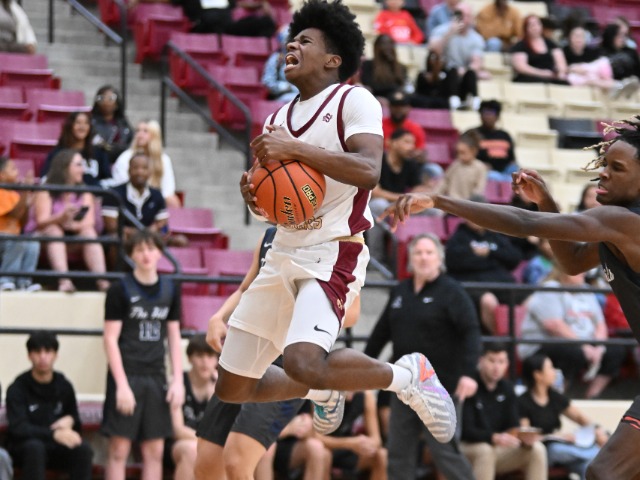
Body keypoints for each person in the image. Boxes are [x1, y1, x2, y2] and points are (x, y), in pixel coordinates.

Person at [230, 0, 457, 451]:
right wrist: (256, 199)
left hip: (333, 249)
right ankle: (323, 389)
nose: (292, 45)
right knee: (233, 387)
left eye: (305, 41)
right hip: (284, 249)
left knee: (302, 360)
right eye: (292, 39)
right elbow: (285, 202)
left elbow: (369, 171)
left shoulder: (354, 100)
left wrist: (295, 150)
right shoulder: (276, 118)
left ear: (332, 59)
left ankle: (408, 376)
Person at [381, 115, 640, 479]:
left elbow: (524, 223)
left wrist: (439, 200)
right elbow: (571, 261)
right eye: (604, 164)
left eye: (617, 168)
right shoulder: (619, 226)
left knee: (604, 473)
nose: (604, 173)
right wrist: (547, 201)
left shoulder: (625, 222)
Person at [195, 227, 308, 480]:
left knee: (237, 462)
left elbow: (350, 313)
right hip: (247, 349)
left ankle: (323, 389)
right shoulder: (268, 236)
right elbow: (246, 287)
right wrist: (219, 316)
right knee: (206, 462)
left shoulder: (325, 239)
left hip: (286, 360)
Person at [364, 234, 480, 480]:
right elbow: (380, 334)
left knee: (445, 453)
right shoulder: (400, 291)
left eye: (429, 253)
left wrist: (469, 374)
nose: (424, 258)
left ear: (440, 258)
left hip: (440, 388)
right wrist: (361, 370)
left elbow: (471, 333)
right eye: (418, 253)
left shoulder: (452, 292)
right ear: (410, 259)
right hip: (404, 387)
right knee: (398, 451)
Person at [102, 229, 184, 480]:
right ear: (131, 255)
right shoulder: (119, 290)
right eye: (139, 250)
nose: (146, 254)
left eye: (150, 248)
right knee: (119, 449)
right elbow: (110, 339)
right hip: (127, 374)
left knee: (154, 451)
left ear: (160, 252)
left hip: (156, 375)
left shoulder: (171, 289)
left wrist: (178, 380)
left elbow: (174, 337)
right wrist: (121, 386)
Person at [518, 265, 626, 399]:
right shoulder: (550, 288)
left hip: (583, 344)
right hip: (543, 344)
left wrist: (599, 347)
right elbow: (554, 326)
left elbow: (600, 323)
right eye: (578, 271)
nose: (583, 274)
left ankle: (591, 398)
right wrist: (583, 346)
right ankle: (558, 398)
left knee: (616, 350)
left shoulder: (586, 290)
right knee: (573, 352)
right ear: (564, 272)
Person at [5, 331, 93, 480]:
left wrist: (72, 420)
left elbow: (75, 421)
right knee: (35, 448)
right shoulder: (17, 388)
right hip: (26, 448)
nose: (43, 357)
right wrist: (53, 434)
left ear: (56, 355)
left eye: (48, 351)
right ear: (29, 356)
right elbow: (18, 428)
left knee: (83, 449)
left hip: (57, 448)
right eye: (37, 352)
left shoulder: (64, 386)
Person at [460, 342, 547, 480]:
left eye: (501, 362)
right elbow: (466, 430)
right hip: (469, 446)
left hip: (498, 447)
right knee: (485, 451)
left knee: (537, 448)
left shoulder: (507, 388)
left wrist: (522, 437)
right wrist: (493, 437)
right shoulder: (469, 385)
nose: (496, 367)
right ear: (481, 361)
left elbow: (513, 425)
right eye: (492, 361)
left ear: (507, 364)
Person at [28, 149, 109, 293]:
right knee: (54, 230)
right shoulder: (46, 190)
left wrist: (72, 225)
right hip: (43, 238)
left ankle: (102, 282)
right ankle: (64, 281)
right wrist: (61, 218)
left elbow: (89, 222)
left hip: (72, 237)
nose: (82, 170)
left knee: (88, 232)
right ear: (64, 167)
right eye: (78, 165)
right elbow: (41, 221)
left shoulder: (84, 192)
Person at [518, 354, 609, 479]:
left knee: (587, 466)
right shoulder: (522, 402)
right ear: (537, 375)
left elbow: (579, 417)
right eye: (550, 368)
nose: (554, 372)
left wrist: (597, 430)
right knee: (555, 449)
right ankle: (599, 454)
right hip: (542, 450)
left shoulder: (554, 397)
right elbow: (527, 436)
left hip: (565, 450)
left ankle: (595, 455)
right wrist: (557, 437)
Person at [368, 128, 422, 265]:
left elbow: (420, 189)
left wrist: (408, 199)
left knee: (433, 211)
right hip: (375, 203)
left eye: (413, 143)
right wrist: (404, 198)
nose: (412, 147)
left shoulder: (411, 163)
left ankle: (414, 259)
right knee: (379, 205)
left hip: (400, 203)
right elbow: (375, 192)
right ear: (391, 143)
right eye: (407, 142)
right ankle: (375, 259)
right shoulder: (377, 160)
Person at [170, 335, 218, 480]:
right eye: (199, 356)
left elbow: (219, 430)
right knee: (192, 450)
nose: (205, 362)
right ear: (189, 358)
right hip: (178, 443)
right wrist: (206, 443)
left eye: (210, 356)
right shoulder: (178, 384)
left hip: (207, 443)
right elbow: (178, 430)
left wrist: (214, 397)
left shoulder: (219, 388)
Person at [428, 2, 487, 110]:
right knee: (452, 71)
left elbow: (476, 62)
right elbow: (434, 52)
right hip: (443, 76)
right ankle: (454, 101)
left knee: (471, 73)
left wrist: (463, 71)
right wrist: (450, 33)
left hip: (463, 77)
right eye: (459, 14)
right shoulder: (441, 30)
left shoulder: (476, 38)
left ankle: (475, 102)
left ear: (471, 18)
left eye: (466, 16)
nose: (462, 18)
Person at [318, 390, 388, 480]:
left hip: (349, 448)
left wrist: (365, 443)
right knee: (323, 454)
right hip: (327, 447)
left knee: (382, 455)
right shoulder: (322, 395)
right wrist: (349, 443)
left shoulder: (366, 396)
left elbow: (376, 440)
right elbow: (314, 437)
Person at [112, 120, 181, 208]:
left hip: (155, 200)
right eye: (137, 131)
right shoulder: (125, 157)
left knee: (172, 200)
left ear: (155, 135)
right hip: (129, 198)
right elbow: (121, 185)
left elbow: (168, 190)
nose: (139, 135)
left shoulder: (164, 159)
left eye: (145, 131)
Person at [40, 111, 112, 188]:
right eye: (78, 123)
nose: (82, 127)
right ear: (70, 126)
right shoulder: (58, 153)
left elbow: (107, 181)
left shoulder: (99, 152)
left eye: (86, 123)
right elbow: (45, 179)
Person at [0, 156, 40, 291]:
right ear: (1, 175)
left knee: (33, 243)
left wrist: (27, 204)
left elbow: (22, 222)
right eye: (13, 169)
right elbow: (14, 214)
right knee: (16, 240)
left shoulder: (15, 195)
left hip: (12, 238)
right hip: (2, 237)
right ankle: (5, 280)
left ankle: (24, 282)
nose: (17, 172)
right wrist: (25, 191)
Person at [465, 99, 518, 181]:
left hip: (505, 173)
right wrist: (480, 165)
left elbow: (512, 160)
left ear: (497, 116)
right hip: (485, 173)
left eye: (491, 113)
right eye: (485, 112)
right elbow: (464, 156)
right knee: (492, 176)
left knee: (516, 172)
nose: (488, 116)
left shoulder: (505, 135)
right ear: (480, 115)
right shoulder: (472, 134)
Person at [273, 410, 332, 480]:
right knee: (315, 447)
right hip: (275, 442)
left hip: (296, 442)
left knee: (326, 454)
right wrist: (289, 429)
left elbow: (315, 433)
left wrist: (308, 426)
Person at [511, 15, 570, 84]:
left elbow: (561, 63)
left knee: (564, 83)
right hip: (529, 77)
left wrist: (560, 73)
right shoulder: (520, 46)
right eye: (532, 25)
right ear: (526, 28)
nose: (535, 27)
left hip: (550, 76)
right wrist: (543, 73)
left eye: (538, 24)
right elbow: (521, 67)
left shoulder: (551, 44)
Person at [437, 132, 488, 200]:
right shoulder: (455, 165)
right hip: (452, 201)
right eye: (458, 153)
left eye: (463, 153)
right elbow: (444, 182)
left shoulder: (480, 167)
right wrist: (435, 195)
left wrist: (469, 202)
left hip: (469, 203)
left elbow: (479, 189)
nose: (459, 156)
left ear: (473, 151)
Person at [91, 85, 134, 164]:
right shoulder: (91, 123)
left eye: (111, 98)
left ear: (117, 104)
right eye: (102, 98)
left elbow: (131, 142)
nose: (106, 102)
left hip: (122, 162)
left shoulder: (123, 122)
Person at [359, 34, 409, 100]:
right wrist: (393, 88)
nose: (388, 47)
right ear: (376, 47)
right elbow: (370, 86)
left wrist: (392, 65)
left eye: (390, 43)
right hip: (376, 98)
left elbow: (403, 86)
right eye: (384, 44)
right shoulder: (368, 65)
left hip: (396, 98)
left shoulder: (401, 67)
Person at [381, 90, 426, 161]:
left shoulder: (415, 128)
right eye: (395, 106)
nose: (398, 110)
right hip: (384, 162)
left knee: (432, 167)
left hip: (409, 162)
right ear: (389, 107)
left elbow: (421, 152)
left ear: (409, 108)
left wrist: (416, 154)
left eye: (402, 106)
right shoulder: (380, 125)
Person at [262, 25, 299, 102]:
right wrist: (285, 87)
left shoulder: (305, 59)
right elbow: (268, 83)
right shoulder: (276, 59)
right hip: (283, 98)